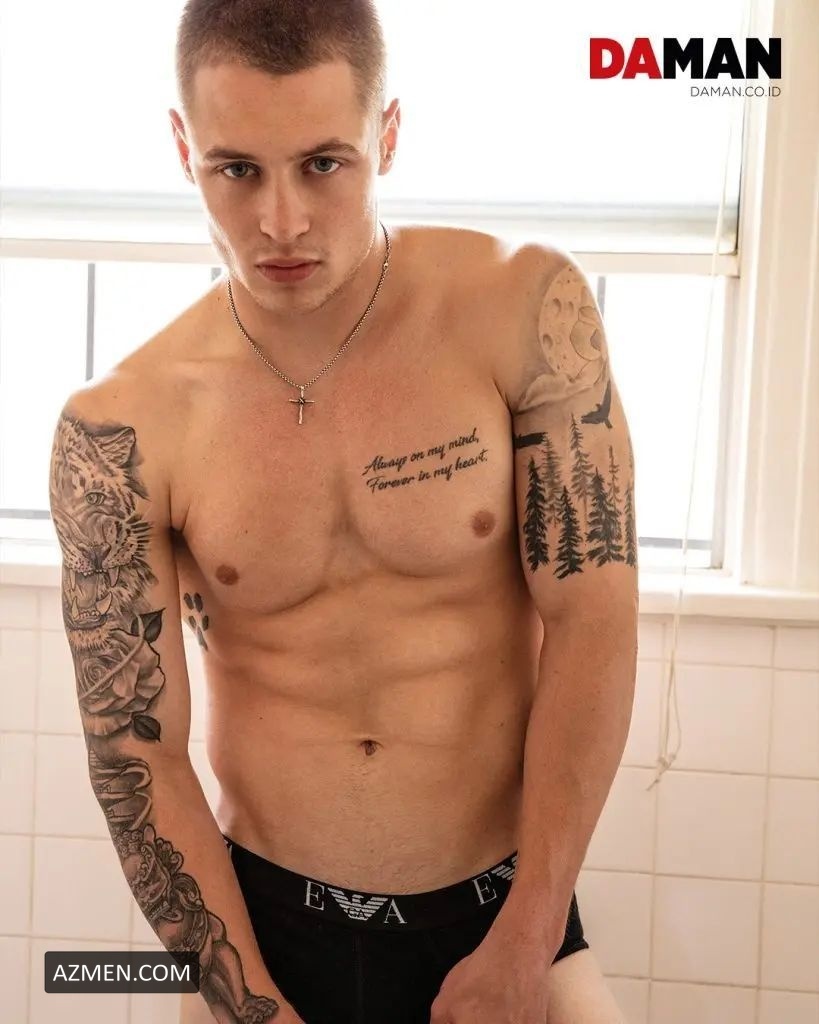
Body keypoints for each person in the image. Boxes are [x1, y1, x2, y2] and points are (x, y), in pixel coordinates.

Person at [48, 1, 637, 1021]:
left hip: (502, 916)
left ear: (387, 135)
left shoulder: (520, 307)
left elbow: (594, 619)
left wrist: (528, 936)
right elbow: (134, 751)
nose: (281, 221)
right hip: (261, 932)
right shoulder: (123, 425)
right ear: (184, 149)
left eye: (324, 164)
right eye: (236, 170)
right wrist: (253, 1008)